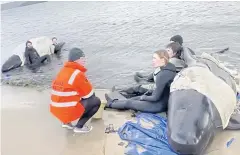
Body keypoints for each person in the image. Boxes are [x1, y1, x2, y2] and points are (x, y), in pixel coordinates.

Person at [105, 49, 176, 113]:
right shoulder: (170, 68)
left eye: (154, 58)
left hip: (158, 105)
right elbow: (162, 89)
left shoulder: (163, 75)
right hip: (163, 100)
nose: (152, 60)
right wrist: (146, 94)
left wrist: (144, 97)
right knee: (136, 98)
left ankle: (109, 104)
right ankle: (114, 101)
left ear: (163, 60)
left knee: (130, 103)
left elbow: (155, 98)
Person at [50, 47, 101, 133]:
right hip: (66, 111)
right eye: (82, 58)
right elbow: (89, 94)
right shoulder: (77, 74)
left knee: (71, 97)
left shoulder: (62, 71)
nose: (84, 60)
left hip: (55, 109)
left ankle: (66, 123)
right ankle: (79, 127)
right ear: (76, 60)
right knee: (95, 101)